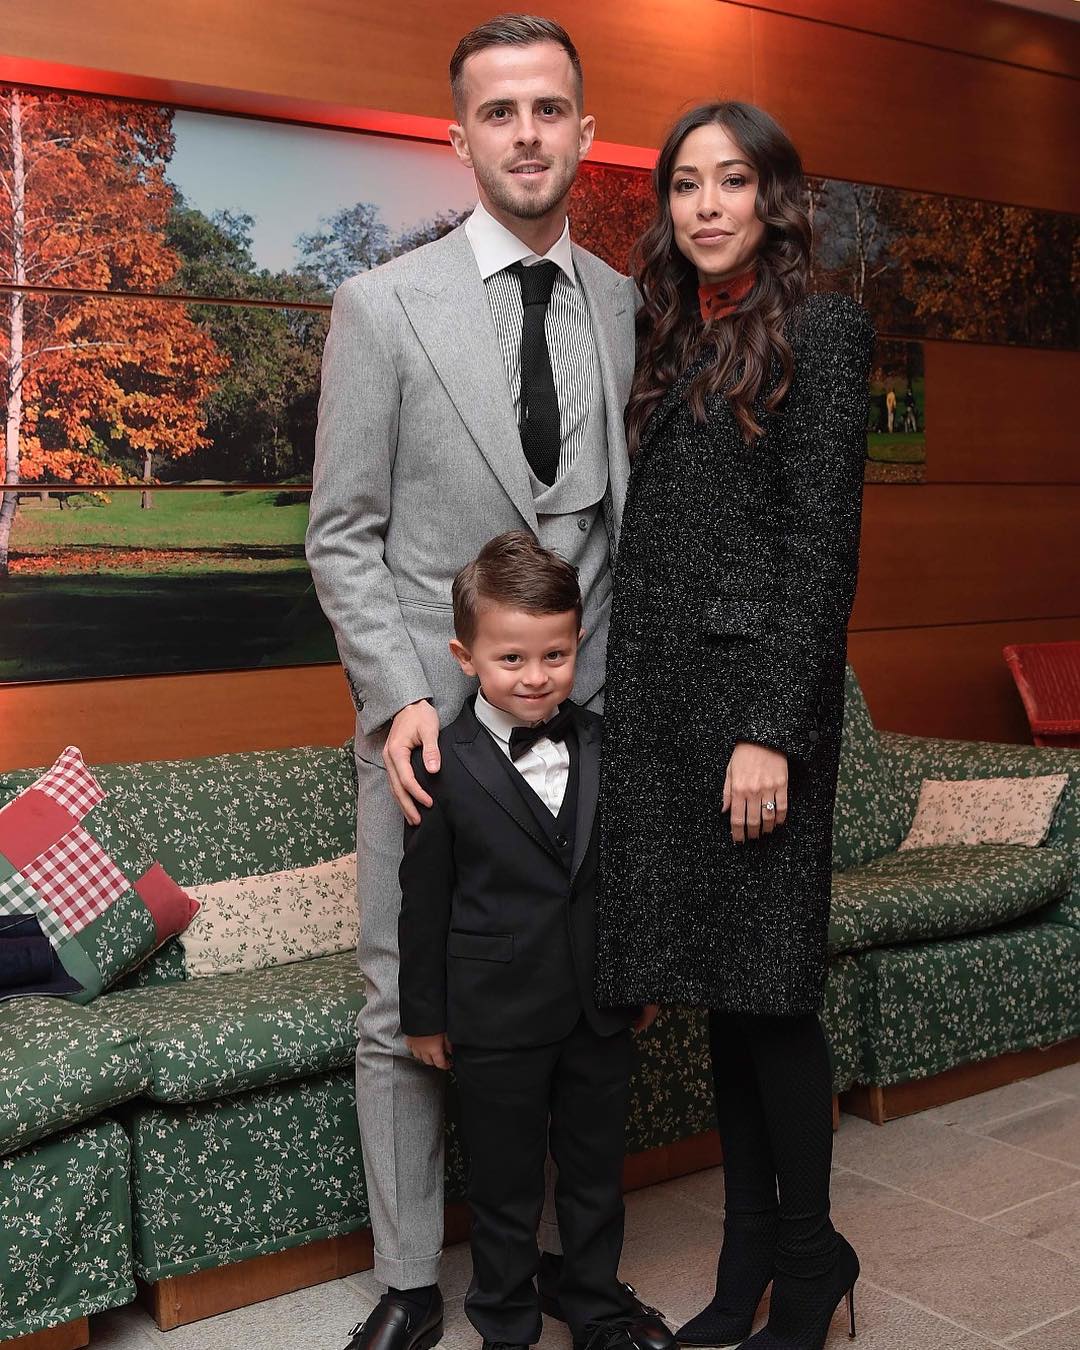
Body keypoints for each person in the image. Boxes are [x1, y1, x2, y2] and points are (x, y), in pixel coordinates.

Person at [306, 15, 667, 1350]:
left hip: (592, 727)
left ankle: (579, 1275)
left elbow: (628, 528)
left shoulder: (628, 305)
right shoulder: (381, 304)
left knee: (589, 1001)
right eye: (500, 111)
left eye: (549, 109)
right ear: (458, 136)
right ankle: (411, 1281)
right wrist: (401, 695)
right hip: (426, 723)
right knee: (403, 1001)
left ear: (584, 131)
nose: (526, 133)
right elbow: (342, 532)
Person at [594, 101, 874, 1350]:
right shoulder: (675, 333)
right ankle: (749, 1254)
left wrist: (772, 730)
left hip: (756, 719)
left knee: (772, 994)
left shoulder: (826, 329)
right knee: (725, 992)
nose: (706, 205)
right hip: (668, 710)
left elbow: (822, 552)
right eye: (685, 184)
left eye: (732, 181)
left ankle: (808, 1262)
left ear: (774, 196)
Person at [399, 532, 658, 1350]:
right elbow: (423, 903)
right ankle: (506, 1325)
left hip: (598, 1009)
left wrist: (640, 977)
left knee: (595, 1179)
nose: (536, 676)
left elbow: (632, 875)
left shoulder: (608, 744)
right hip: (495, 1018)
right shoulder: (440, 762)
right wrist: (424, 1015)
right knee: (505, 1190)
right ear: (465, 657)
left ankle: (598, 1312)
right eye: (512, 658)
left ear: (579, 643)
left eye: (556, 654)